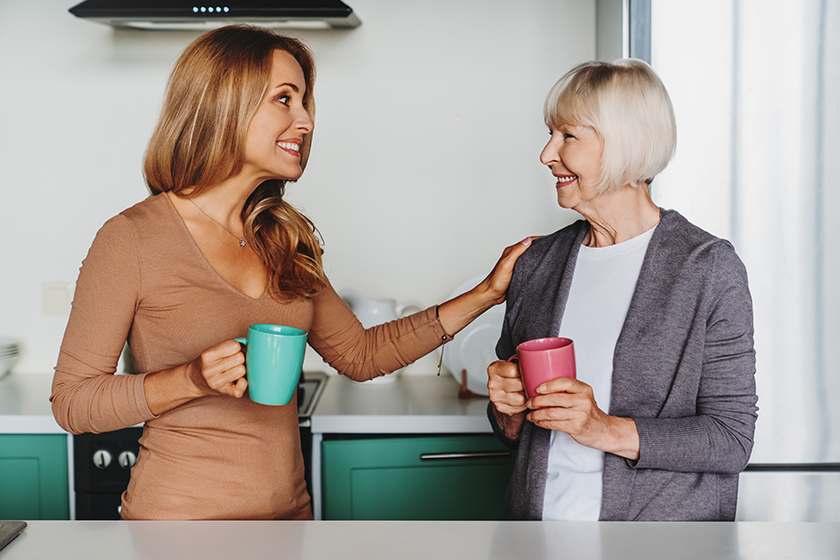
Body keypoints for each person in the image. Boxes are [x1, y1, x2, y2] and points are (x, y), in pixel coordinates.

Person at [50, 25, 531, 521]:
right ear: (225, 102)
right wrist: (190, 379)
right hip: (176, 530)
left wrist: (487, 293)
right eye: (285, 99)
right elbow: (73, 402)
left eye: (305, 103)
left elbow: (360, 355)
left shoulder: (282, 237)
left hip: (290, 522)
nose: (305, 120)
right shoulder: (131, 237)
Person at [486, 59, 758, 522]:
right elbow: (514, 431)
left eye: (567, 136)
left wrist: (604, 429)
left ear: (623, 145)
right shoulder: (537, 263)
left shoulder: (707, 268)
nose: (546, 154)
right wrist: (508, 412)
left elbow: (730, 439)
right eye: (551, 134)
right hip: (534, 537)